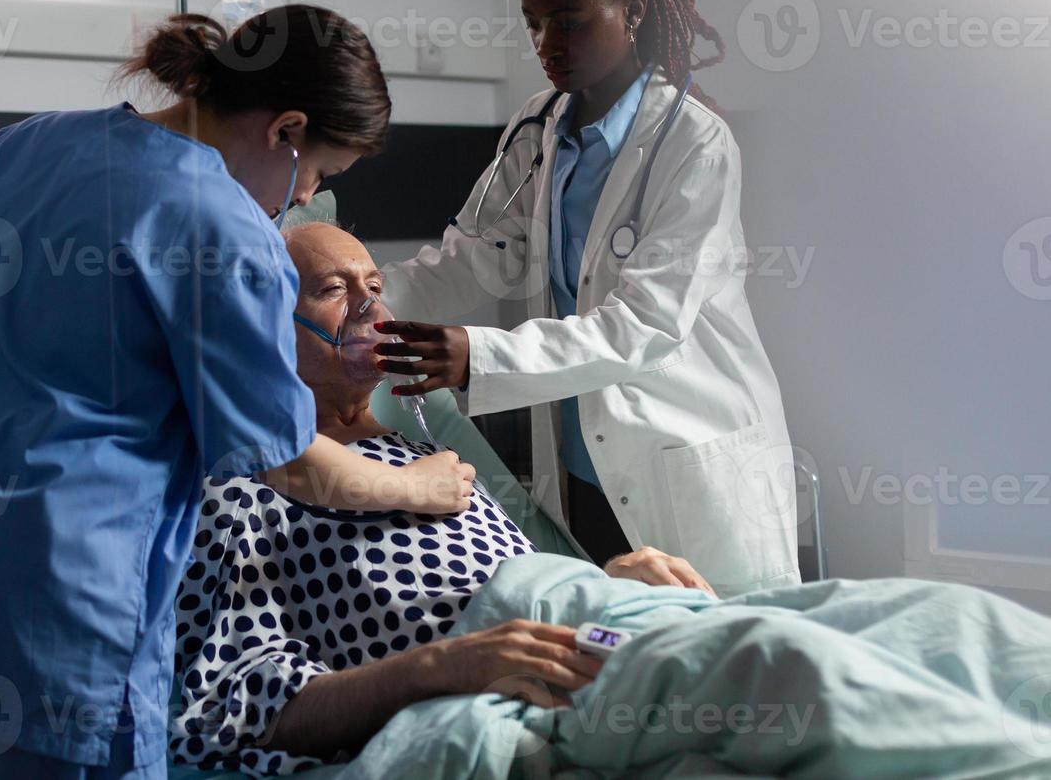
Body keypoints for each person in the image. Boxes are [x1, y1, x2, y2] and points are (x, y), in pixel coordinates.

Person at [0, 6, 476, 780]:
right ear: (286, 129)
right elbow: (294, 465)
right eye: (319, 175)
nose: (305, 198)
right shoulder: (228, 230)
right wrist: (413, 483)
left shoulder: (32, 143)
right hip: (58, 634)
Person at [171, 223, 1051, 779]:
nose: (370, 301)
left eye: (374, 281)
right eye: (333, 288)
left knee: (927, 614)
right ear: (265, 330)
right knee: (781, 661)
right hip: (522, 651)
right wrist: (450, 665)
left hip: (581, 604)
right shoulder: (241, 488)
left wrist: (605, 572)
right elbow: (231, 710)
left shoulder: (419, 445)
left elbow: (530, 574)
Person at [376, 0, 800, 596]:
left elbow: (644, 325)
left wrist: (476, 355)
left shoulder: (695, 144)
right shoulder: (535, 129)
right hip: (578, 462)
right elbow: (475, 254)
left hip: (684, 458)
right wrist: (360, 301)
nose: (547, 42)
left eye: (569, 20)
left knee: (726, 674)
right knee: (618, 663)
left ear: (632, 11)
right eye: (534, 23)